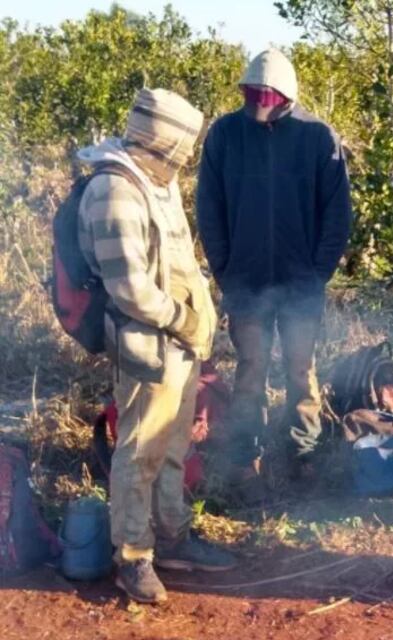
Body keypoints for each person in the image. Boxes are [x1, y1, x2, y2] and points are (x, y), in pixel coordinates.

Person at [77, 89, 235, 604]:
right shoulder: (114, 189)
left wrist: (198, 325)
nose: (183, 160)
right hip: (147, 346)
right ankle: (132, 555)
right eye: (180, 149)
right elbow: (130, 289)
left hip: (179, 345)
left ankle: (173, 538)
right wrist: (186, 321)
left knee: (172, 447)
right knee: (141, 450)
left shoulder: (152, 182)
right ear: (163, 142)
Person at [196, 48, 353, 495]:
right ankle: (246, 461)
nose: (259, 105)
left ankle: (302, 455)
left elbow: (337, 215)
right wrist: (225, 270)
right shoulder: (225, 134)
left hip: (302, 284)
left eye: (267, 97)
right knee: (250, 370)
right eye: (253, 96)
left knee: (302, 371)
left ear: (285, 96)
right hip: (245, 284)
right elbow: (209, 208)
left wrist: (317, 273)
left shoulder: (317, 137)